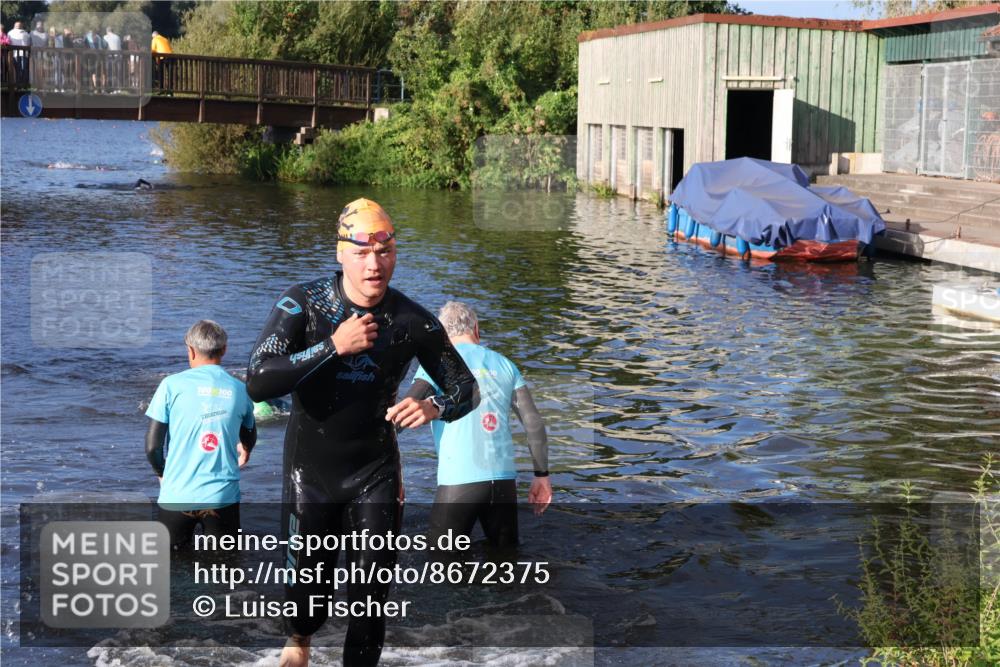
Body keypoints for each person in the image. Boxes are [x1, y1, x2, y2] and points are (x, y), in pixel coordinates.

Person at [246, 197, 479, 667]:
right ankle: (299, 639)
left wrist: (433, 406)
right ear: (340, 253)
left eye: (385, 251)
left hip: (374, 470)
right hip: (309, 472)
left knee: (371, 593)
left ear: (395, 252)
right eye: (362, 252)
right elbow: (258, 377)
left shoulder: (412, 321)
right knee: (306, 595)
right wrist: (332, 346)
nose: (375, 264)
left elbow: (466, 389)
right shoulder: (304, 304)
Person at [402, 302, 552, 549]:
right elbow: (533, 422)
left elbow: (407, 409)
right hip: (503, 484)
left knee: (441, 568)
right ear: (476, 329)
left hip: (458, 481)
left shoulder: (439, 362)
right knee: (506, 565)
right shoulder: (505, 364)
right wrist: (541, 476)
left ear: (442, 333)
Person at [145, 320, 257, 549]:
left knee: (171, 572)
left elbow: (152, 447)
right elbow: (250, 433)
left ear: (190, 349)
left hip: (177, 496)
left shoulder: (170, 385)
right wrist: (246, 449)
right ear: (224, 350)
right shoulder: (240, 389)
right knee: (223, 572)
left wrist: (161, 472)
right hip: (222, 498)